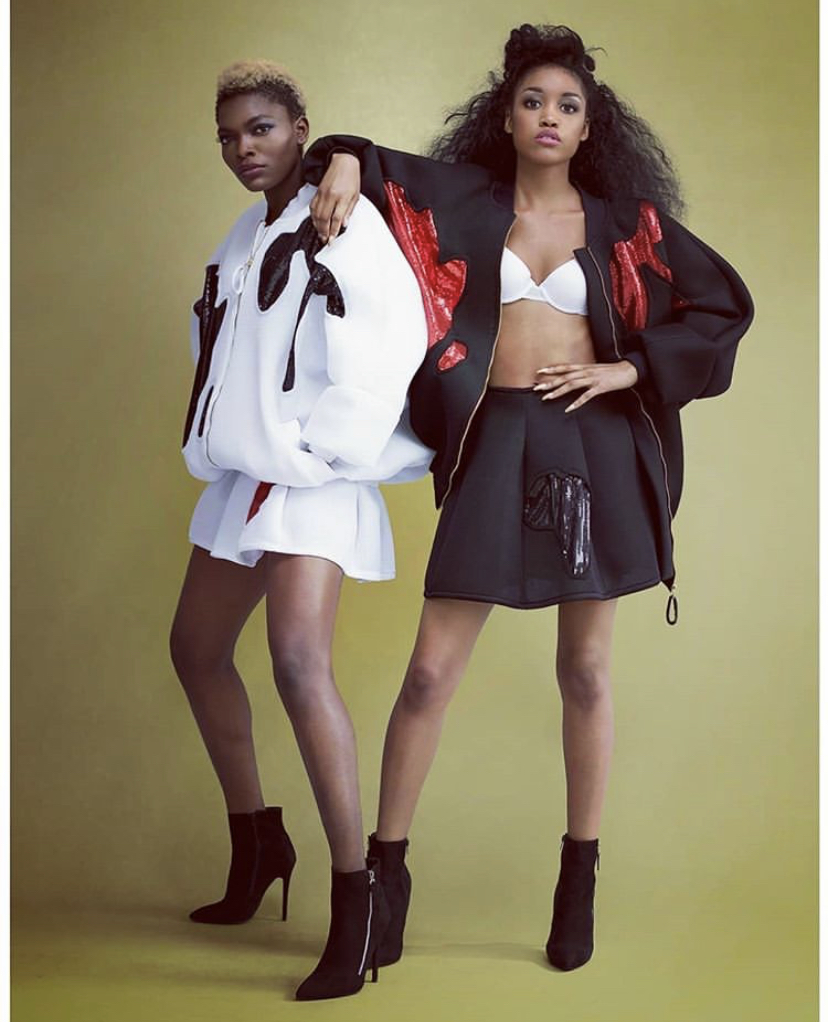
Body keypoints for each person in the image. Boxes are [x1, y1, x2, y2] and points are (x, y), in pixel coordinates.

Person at [305, 23, 753, 971]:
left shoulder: (627, 223)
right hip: (494, 440)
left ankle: (577, 877)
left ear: (590, 128)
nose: (549, 116)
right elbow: (366, 161)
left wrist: (632, 369)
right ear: (504, 117)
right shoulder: (464, 202)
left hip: (597, 449)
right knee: (429, 675)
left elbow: (723, 308)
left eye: (568, 105)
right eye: (533, 101)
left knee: (584, 672)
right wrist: (338, 159)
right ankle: (386, 878)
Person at [169, 59, 432, 1001]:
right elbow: (219, 347)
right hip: (250, 470)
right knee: (195, 649)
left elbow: (393, 336)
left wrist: (322, 451)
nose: (244, 148)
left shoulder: (341, 214)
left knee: (296, 664)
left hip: (315, 477)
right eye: (229, 135)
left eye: (262, 128)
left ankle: (354, 899)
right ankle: (258, 842)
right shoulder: (245, 233)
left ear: (300, 130)